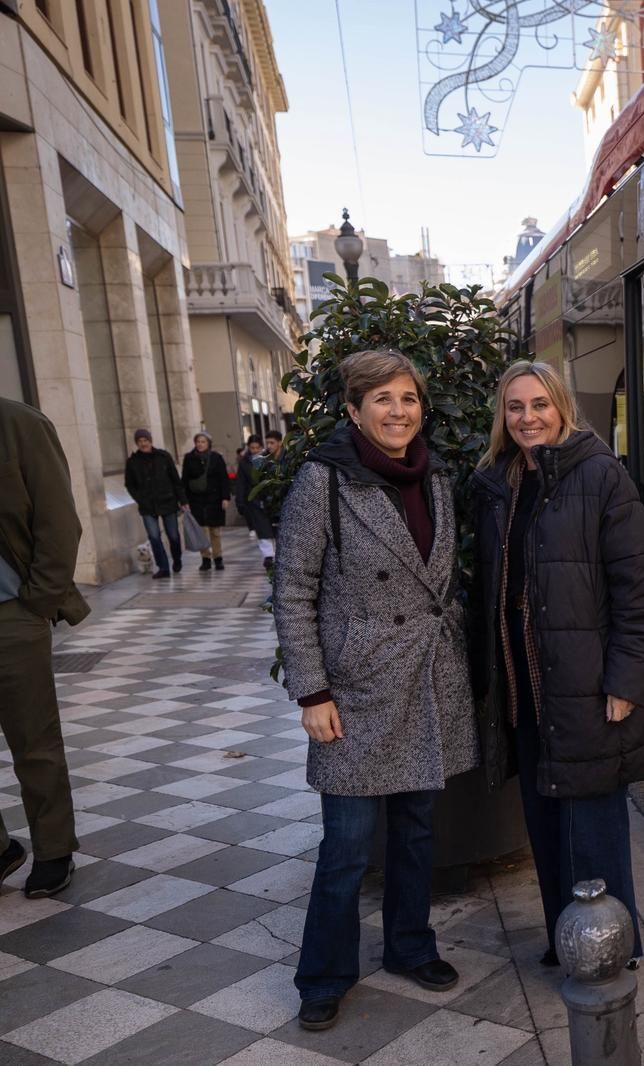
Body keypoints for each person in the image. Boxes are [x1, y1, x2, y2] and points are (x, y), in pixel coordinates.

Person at [273, 349, 479, 1032]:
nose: (398, 412)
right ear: (354, 410)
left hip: (424, 675)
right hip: (355, 690)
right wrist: (311, 692)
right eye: (382, 399)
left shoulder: (436, 476)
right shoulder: (323, 481)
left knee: (417, 832)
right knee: (348, 846)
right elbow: (294, 592)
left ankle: (409, 946)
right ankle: (325, 974)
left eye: (409, 398)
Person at [469, 360, 644, 972]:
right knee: (547, 821)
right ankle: (568, 940)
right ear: (503, 418)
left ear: (561, 408)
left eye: (539, 405)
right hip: (525, 685)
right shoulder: (495, 485)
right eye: (515, 407)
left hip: (586, 686)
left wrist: (626, 681)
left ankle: (609, 953)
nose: (528, 417)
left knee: (593, 826)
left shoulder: (601, 476)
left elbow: (641, 590)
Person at [0, 398, 90, 898]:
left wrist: (37, 602)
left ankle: (53, 849)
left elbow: (59, 522)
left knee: (32, 740)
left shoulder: (19, 425)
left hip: (12, 614)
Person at [124, 428, 188, 578]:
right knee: (154, 536)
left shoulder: (163, 456)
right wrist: (139, 498)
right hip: (147, 505)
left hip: (168, 501)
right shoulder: (133, 462)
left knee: (173, 535)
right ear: (137, 443)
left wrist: (183, 500)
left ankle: (177, 558)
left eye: (145, 440)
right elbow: (129, 484)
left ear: (150, 441)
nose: (143, 444)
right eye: (140, 441)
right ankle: (163, 567)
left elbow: (175, 480)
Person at [182, 432, 230, 570]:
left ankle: (218, 557)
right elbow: (184, 480)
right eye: (198, 441)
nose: (200, 444)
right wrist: (184, 500)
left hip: (214, 498)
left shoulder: (216, 458)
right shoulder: (189, 458)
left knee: (214, 530)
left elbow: (223, 478)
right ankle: (205, 558)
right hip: (196, 499)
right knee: (201, 530)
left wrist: (225, 497)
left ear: (208, 443)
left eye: (203, 441)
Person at [235, 435, 277, 570]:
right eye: (252, 448)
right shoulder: (244, 462)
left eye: (257, 447)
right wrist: (240, 501)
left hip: (270, 498)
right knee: (261, 529)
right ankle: (268, 555)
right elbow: (240, 483)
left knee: (274, 527)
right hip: (253, 500)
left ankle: (277, 553)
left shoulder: (269, 459)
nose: (254, 450)